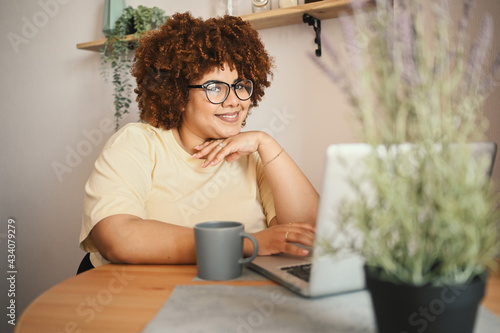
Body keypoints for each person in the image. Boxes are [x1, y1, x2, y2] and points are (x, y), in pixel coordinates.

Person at [78, 12, 319, 271]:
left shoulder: (254, 155)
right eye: (215, 87)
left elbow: (307, 235)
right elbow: (117, 237)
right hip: (142, 299)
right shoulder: (137, 144)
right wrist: (247, 243)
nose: (234, 101)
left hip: (233, 297)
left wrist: (266, 143)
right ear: (178, 94)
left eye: (240, 85)